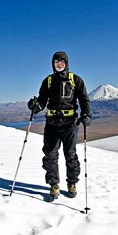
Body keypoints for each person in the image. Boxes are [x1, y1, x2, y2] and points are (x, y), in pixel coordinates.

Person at [27, 51, 92, 200]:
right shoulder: (48, 81)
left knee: (70, 155)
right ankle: (53, 184)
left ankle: (72, 183)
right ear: (53, 64)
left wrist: (86, 114)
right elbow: (42, 101)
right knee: (50, 154)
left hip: (70, 124)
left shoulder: (75, 80)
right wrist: (35, 106)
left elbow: (84, 99)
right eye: (57, 62)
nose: (59, 65)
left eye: (62, 62)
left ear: (66, 63)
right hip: (52, 124)